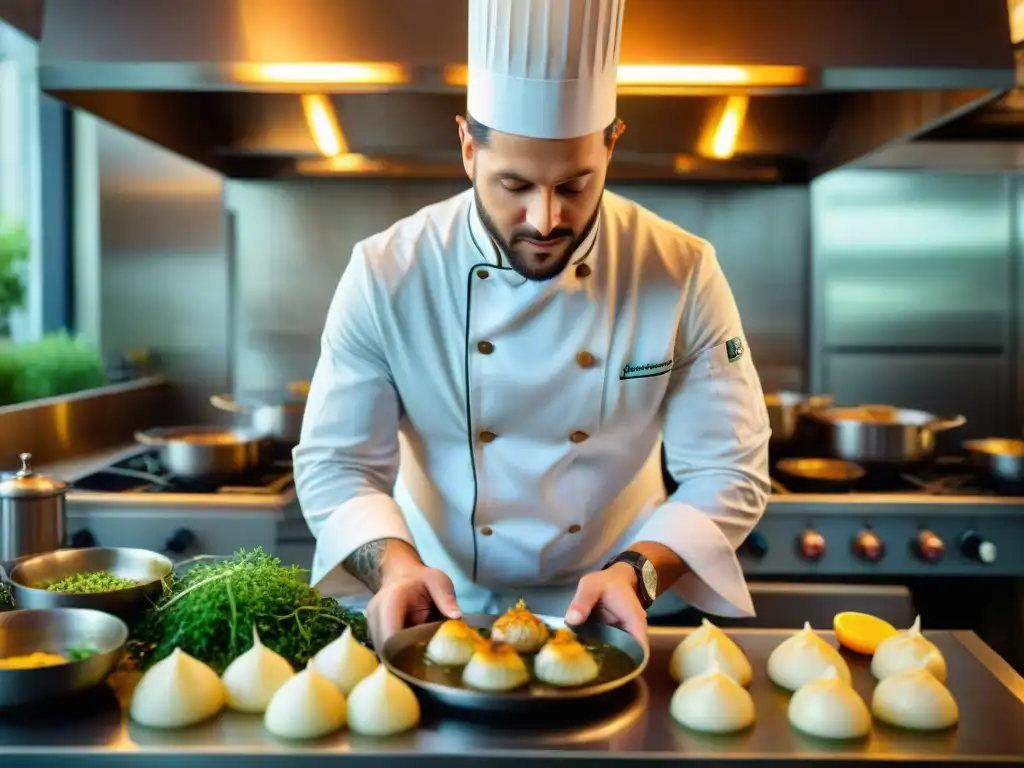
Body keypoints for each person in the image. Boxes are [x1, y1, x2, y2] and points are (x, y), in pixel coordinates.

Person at [294, 0, 771, 650]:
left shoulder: (680, 270)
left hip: (619, 607)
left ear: (612, 144)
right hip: (437, 608)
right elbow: (337, 463)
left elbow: (731, 467)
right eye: (514, 184)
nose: (545, 219)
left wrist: (639, 573)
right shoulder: (388, 273)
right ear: (468, 148)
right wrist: (394, 567)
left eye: (576, 185)